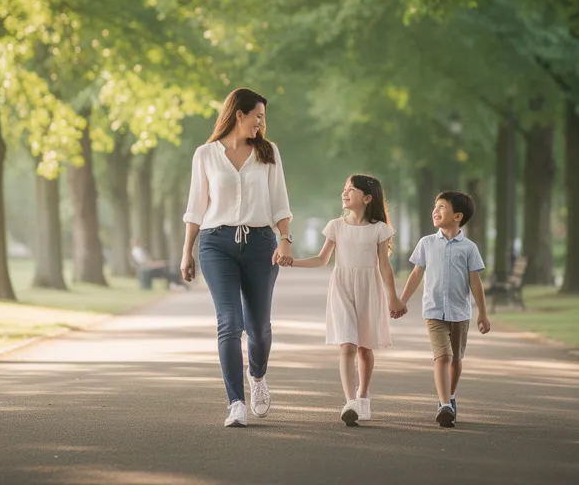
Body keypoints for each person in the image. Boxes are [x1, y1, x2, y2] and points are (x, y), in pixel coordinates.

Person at [180, 88, 294, 428]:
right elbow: (196, 207)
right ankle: (236, 403)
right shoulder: (205, 155)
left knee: (258, 329)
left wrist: (284, 238)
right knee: (230, 323)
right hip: (216, 244)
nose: (261, 123)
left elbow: (280, 202)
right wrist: (187, 251)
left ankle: (257, 378)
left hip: (260, 244)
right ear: (238, 114)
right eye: (257, 116)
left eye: (263, 117)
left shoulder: (268, 153)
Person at [290, 175, 405, 426]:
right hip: (342, 287)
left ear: (367, 198)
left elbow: (384, 266)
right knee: (347, 344)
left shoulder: (379, 229)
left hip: (369, 289)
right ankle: (350, 402)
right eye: (344, 189)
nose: (345, 193)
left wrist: (393, 297)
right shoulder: (336, 226)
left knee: (364, 347)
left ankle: (363, 396)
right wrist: (293, 262)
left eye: (351, 189)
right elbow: (322, 260)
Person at [395, 190, 490, 428]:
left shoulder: (469, 248)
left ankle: (451, 395)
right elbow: (417, 274)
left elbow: (475, 282)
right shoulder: (426, 243)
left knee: (456, 359)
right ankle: (444, 403)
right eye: (435, 207)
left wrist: (483, 313)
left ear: (458, 216)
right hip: (434, 311)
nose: (435, 211)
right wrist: (402, 300)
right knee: (443, 356)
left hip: (460, 312)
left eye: (442, 207)